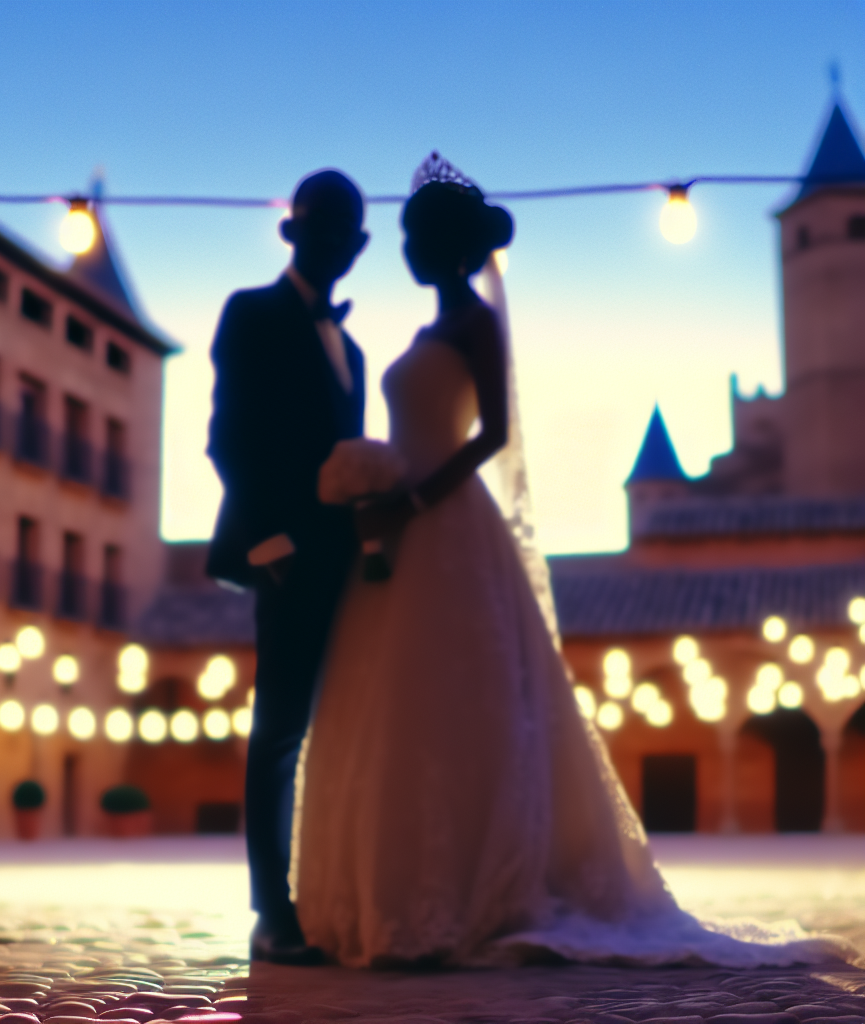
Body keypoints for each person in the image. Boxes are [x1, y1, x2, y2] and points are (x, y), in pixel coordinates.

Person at [291, 154, 854, 969]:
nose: (405, 249)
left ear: (447, 247)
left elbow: (491, 435)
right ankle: (393, 889)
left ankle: (459, 891)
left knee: (456, 697)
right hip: (397, 525)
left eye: (416, 236)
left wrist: (411, 499)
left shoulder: (476, 325)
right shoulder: (422, 333)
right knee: (391, 698)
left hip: (443, 523)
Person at [206, 169, 368, 965]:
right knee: (277, 735)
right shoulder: (251, 313)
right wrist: (271, 549)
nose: (333, 244)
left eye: (347, 233)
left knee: (347, 731)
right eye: (320, 229)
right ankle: (272, 913)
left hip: (352, 566)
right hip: (285, 562)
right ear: (292, 233)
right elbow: (228, 438)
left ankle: (337, 894)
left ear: (361, 246)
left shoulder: (357, 351)